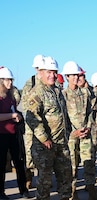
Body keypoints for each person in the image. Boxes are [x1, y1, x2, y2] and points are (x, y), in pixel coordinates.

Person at [25, 56, 73, 200]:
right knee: (45, 183)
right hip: (45, 147)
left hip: (61, 144)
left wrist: (68, 132)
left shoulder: (57, 92)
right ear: (41, 72)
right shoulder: (37, 92)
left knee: (66, 179)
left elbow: (64, 115)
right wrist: (44, 138)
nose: (52, 75)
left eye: (54, 72)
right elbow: (32, 117)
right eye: (49, 72)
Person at [61, 61, 97, 200]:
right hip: (71, 136)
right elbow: (62, 117)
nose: (76, 78)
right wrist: (73, 132)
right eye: (73, 75)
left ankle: (92, 193)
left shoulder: (86, 93)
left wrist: (88, 128)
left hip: (86, 134)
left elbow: (90, 113)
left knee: (89, 163)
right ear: (67, 76)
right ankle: (73, 195)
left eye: (77, 75)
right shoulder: (63, 95)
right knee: (72, 166)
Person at [0, 66, 30, 199]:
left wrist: (17, 116)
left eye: (11, 80)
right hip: (2, 134)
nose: (10, 83)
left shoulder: (11, 96)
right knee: (1, 164)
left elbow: (14, 111)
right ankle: (1, 192)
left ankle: (23, 189)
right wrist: (12, 116)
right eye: (7, 80)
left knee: (19, 161)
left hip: (14, 134)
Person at [21, 54, 44, 190]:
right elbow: (26, 104)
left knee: (43, 154)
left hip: (45, 125)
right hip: (32, 124)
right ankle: (28, 178)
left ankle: (42, 179)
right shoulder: (30, 83)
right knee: (30, 154)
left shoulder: (49, 82)